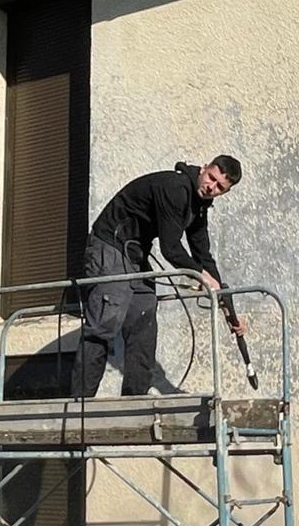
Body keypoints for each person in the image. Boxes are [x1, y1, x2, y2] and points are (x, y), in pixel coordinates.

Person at [71, 155, 244, 398]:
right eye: (211, 178)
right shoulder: (176, 189)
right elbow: (171, 248)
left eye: (219, 187)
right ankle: (80, 405)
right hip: (109, 245)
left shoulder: (198, 206)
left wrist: (228, 307)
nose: (211, 187)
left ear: (224, 192)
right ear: (203, 169)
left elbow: (203, 255)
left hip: (134, 255)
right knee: (104, 324)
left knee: (144, 321)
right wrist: (204, 278)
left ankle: (134, 405)